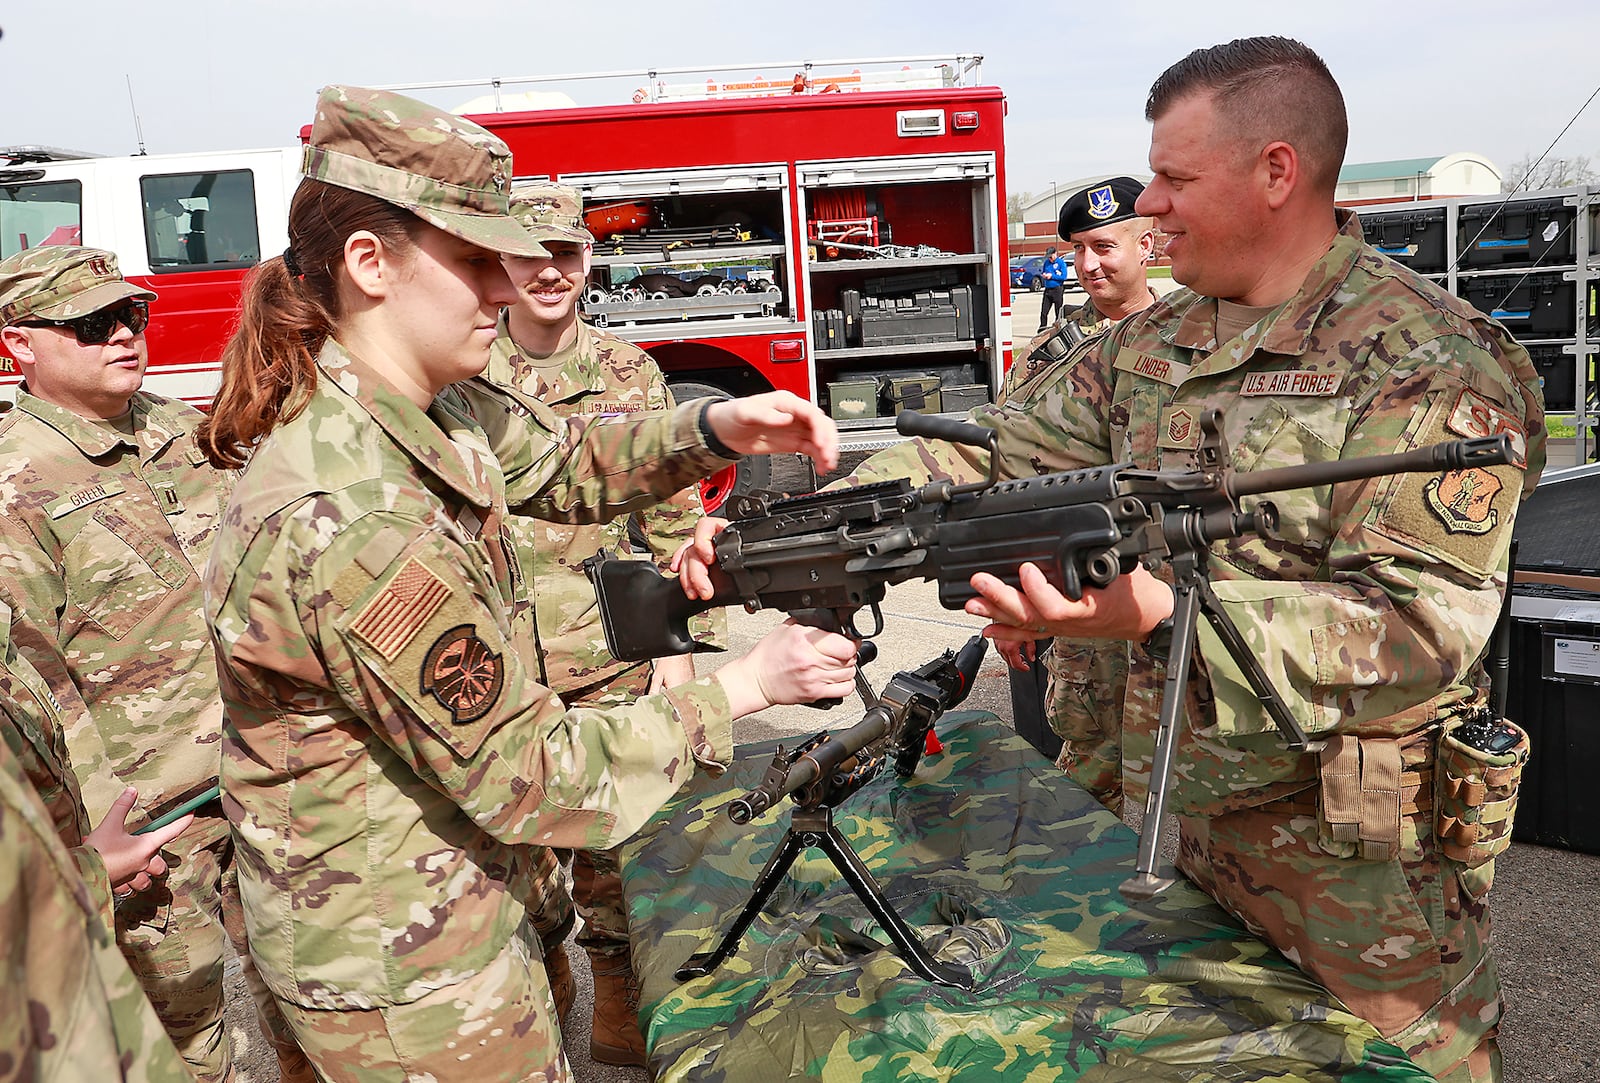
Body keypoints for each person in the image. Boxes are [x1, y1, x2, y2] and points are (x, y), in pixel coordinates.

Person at [196, 84, 856, 1082]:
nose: (507, 290)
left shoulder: (432, 406)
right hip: (403, 971)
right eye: (473, 263)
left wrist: (715, 428)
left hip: (467, 902)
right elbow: (532, 773)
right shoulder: (353, 516)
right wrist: (743, 688)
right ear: (371, 264)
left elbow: (568, 464)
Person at [950, 38, 1541, 1082]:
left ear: (1276, 171)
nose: (1152, 205)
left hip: (1355, 855)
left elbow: (1420, 629)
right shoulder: (1157, 340)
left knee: (1397, 1062)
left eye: (1174, 178)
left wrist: (1160, 617)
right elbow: (1006, 445)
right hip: (1194, 815)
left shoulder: (1429, 365)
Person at [0, 244, 312, 1083]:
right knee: (189, 1035)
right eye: (91, 324)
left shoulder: (179, 428)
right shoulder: (14, 480)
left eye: (131, 316)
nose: (123, 337)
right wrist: (103, 828)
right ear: (19, 345)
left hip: (262, 769)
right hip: (148, 819)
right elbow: (30, 680)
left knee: (311, 996)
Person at [489, 181, 729, 1066]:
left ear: (588, 263)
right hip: (497, 669)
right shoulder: (467, 376)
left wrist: (677, 651)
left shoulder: (630, 371)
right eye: (530, 255)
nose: (550, 272)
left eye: (567, 254)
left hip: (607, 656)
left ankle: (621, 1022)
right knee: (514, 874)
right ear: (502, 264)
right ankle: (539, 1026)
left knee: (619, 860)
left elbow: (669, 520)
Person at [844, 175, 1160, 807]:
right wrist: (1012, 605)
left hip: (1159, 581)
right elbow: (1005, 482)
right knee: (1085, 760)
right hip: (1075, 587)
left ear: (1147, 244)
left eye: (1104, 247)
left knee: (1172, 763)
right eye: (1077, 250)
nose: (1087, 265)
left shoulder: (1185, 344)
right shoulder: (1050, 352)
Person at [1034, 244, 1072, 331]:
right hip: (1048, 289)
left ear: (1055, 254)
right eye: (1049, 257)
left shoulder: (1061, 263)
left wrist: (1052, 276)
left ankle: (1057, 328)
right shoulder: (1047, 263)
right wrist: (1044, 275)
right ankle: (1042, 328)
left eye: (1051, 257)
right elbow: (1044, 271)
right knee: (1044, 311)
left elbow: (1063, 277)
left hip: (1057, 289)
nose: (1050, 259)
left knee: (1058, 311)